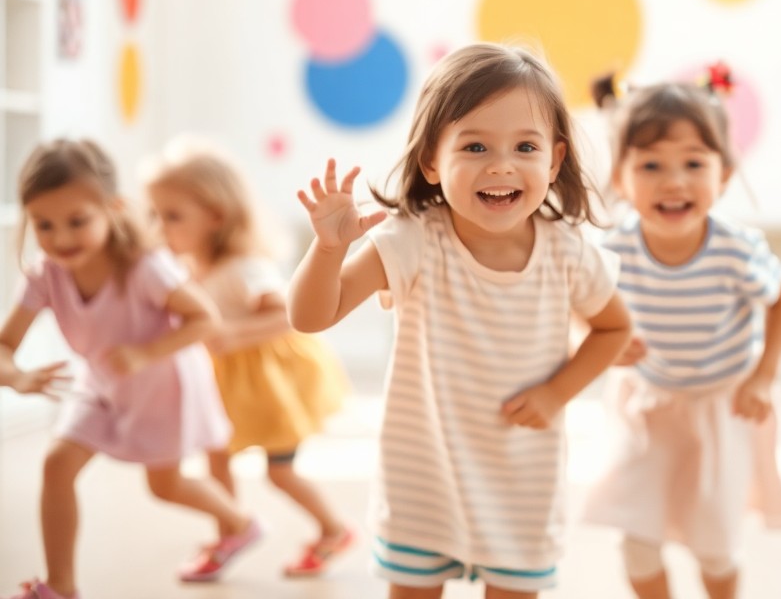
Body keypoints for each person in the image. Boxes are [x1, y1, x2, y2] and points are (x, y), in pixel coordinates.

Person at [287, 43, 632, 599]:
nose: (501, 165)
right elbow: (310, 317)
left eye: (526, 146)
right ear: (430, 160)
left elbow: (615, 328)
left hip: (522, 481)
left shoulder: (567, 250)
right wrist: (326, 251)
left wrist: (556, 393)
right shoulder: (411, 239)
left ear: (555, 159)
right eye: (474, 145)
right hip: (423, 480)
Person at [0, 139, 257, 599]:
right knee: (57, 465)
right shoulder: (46, 273)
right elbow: (4, 344)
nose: (61, 239)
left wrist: (145, 353)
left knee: (165, 485)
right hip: (100, 385)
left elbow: (205, 319)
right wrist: (17, 377)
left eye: (77, 221)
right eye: (44, 225)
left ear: (113, 209)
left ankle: (240, 524)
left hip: (162, 386)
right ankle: (60, 586)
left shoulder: (144, 266)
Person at [582, 78, 781, 599]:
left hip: (721, 410)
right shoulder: (614, 250)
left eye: (693, 164)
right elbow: (581, 304)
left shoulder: (735, 249)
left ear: (723, 175)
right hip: (647, 408)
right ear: (621, 178)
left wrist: (765, 377)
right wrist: (600, 338)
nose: (673, 182)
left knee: (715, 546)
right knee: (636, 542)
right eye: (651, 165)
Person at [145, 139, 353, 577]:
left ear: (216, 216)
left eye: (172, 216)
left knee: (279, 472)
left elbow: (288, 318)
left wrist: (233, 333)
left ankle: (334, 529)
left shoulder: (243, 268)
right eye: (155, 215)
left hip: (271, 386)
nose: (159, 227)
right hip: (227, 385)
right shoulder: (187, 267)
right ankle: (229, 532)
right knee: (216, 458)